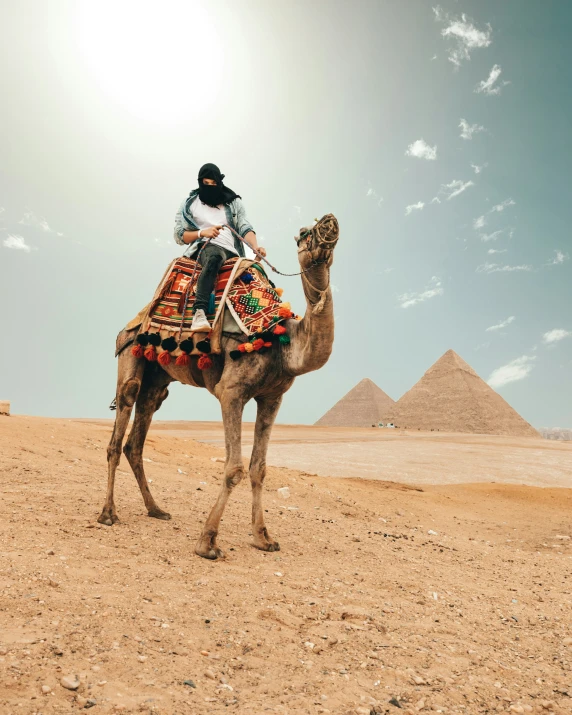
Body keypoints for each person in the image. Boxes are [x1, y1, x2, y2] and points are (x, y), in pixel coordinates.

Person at [173, 163, 266, 331]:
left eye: (213, 183)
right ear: (200, 182)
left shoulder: (232, 202)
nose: (209, 187)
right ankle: (199, 312)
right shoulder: (189, 205)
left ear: (219, 182)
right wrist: (202, 233)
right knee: (215, 257)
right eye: (205, 184)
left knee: (256, 276)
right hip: (205, 247)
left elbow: (244, 226)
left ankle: (263, 323)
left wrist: (255, 247)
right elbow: (180, 236)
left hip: (233, 251)